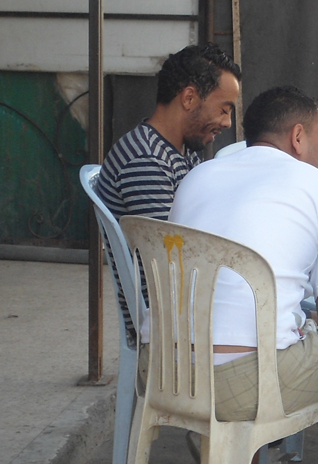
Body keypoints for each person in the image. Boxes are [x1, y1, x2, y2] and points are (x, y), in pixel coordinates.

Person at [168, 86, 318, 464]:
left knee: (275, 338)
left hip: (167, 371)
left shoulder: (197, 177)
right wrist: (313, 326)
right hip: (242, 382)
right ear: (298, 137)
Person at [99, 43, 240, 349]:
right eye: (224, 108)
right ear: (189, 97)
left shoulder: (180, 151)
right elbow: (170, 266)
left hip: (187, 309)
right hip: (171, 326)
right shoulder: (147, 161)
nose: (228, 122)